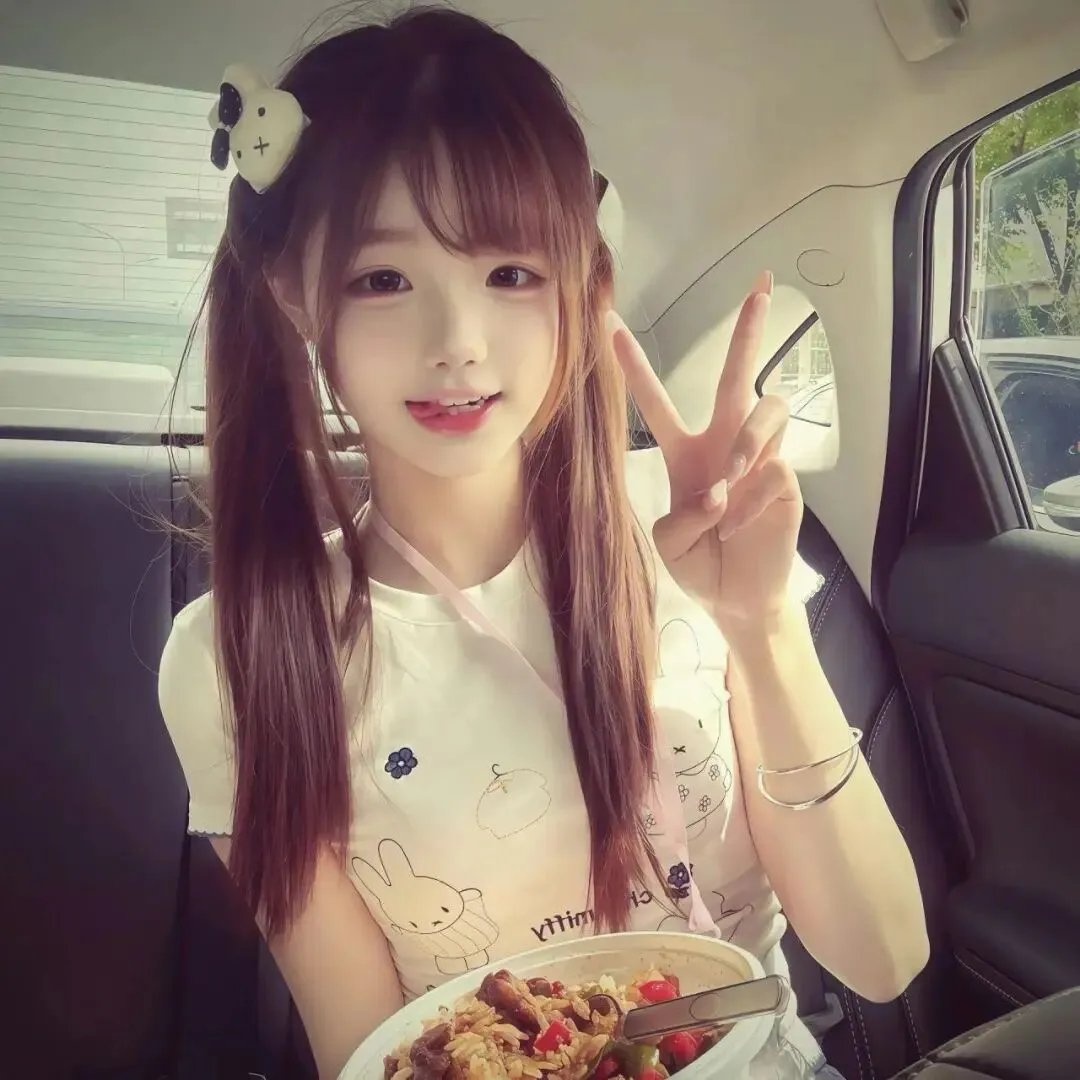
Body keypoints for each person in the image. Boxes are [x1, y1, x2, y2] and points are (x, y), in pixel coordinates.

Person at [160, 7, 928, 1079]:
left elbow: (884, 956)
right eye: (383, 279)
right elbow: (367, 1052)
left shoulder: (692, 530)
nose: (458, 344)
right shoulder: (236, 655)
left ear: (576, 285)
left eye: (512, 273)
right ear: (295, 297)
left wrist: (758, 626)